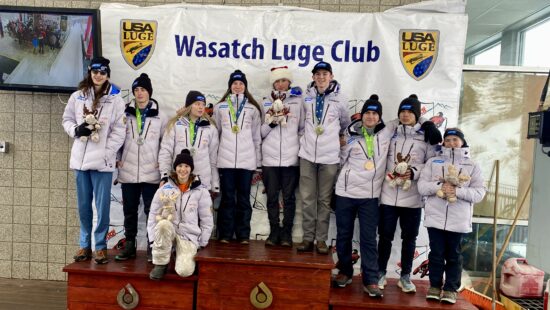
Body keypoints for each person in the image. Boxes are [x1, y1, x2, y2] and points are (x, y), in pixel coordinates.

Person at [62, 57, 126, 264]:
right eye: (96, 71)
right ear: (90, 72)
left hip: (102, 164)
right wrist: (75, 130)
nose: (99, 75)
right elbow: (67, 120)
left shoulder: (115, 98)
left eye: (103, 72)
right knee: (83, 206)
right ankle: (84, 245)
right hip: (80, 162)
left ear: (108, 75)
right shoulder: (78, 96)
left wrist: (106, 154)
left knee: (102, 207)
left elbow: (119, 131)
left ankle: (100, 247)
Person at [377, 94, 442, 293]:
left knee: (409, 239)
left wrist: (413, 172)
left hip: (412, 197)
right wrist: (424, 120)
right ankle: (380, 273)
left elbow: (432, 165)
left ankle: (405, 276)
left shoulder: (426, 136)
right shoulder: (391, 131)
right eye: (402, 112)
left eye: (410, 112)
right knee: (385, 237)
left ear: (416, 114)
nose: (405, 115)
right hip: (388, 194)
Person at [333, 95, 391, 298]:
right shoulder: (350, 133)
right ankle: (345, 272)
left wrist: (427, 126)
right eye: (367, 112)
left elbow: (408, 121)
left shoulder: (387, 132)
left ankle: (371, 279)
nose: (370, 116)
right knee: (343, 236)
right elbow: (340, 160)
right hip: (346, 192)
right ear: (362, 115)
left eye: (375, 113)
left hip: (370, 195)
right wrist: (335, 187)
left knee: (368, 239)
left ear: (380, 117)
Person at [418, 128, 485, 304]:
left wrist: (458, 190)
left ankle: (450, 289)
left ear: (462, 142)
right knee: (436, 254)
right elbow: (422, 187)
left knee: (454, 256)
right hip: (435, 218)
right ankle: (434, 286)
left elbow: (479, 193)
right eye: (448, 140)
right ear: (443, 143)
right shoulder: (433, 161)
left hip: (458, 220)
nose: (451, 143)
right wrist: (439, 186)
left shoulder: (473, 165)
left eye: (455, 139)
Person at [296, 61, 350, 254]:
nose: (321, 77)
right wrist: (305, 140)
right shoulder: (305, 97)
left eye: (324, 74)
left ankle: (321, 240)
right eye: (317, 74)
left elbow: (345, 125)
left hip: (330, 157)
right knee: (308, 198)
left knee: (324, 200)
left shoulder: (340, 99)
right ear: (313, 77)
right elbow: (302, 124)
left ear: (331, 76)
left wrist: (338, 140)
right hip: (307, 155)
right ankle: (307, 238)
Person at [115, 73, 165, 262]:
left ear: (149, 92)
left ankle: (153, 246)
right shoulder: (124, 114)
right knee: (129, 211)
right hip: (128, 171)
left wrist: (163, 166)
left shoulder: (160, 116)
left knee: (152, 212)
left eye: (143, 89)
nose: (139, 93)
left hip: (151, 172)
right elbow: (116, 139)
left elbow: (165, 144)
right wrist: (117, 158)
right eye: (136, 90)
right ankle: (129, 245)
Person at [148, 149, 214, 280]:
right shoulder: (164, 189)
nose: (183, 169)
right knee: (163, 224)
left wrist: (202, 242)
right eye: (179, 166)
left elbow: (207, 219)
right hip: (169, 230)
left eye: (186, 166)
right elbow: (153, 215)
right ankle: (161, 264)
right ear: (175, 168)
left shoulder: (201, 191)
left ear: (191, 169)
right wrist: (152, 239)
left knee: (185, 271)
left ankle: (177, 253)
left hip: (188, 235)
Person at [213, 70, 262, 244]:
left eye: (241, 84)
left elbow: (257, 137)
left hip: (246, 162)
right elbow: (215, 135)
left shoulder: (252, 109)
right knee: (227, 198)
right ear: (230, 86)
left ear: (245, 86)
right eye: (235, 83)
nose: (238, 86)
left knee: (243, 199)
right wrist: (215, 161)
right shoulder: (220, 108)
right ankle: (225, 234)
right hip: (225, 161)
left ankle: (242, 235)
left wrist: (258, 163)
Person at [261, 66, 304, 247]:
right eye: (277, 81)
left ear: (289, 82)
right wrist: (272, 122)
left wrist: (299, 151)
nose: (280, 84)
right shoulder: (264, 102)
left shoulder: (298, 101)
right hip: (269, 159)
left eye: (283, 80)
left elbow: (301, 129)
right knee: (272, 197)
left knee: (288, 198)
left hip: (290, 158)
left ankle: (286, 234)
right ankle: (274, 232)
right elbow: (260, 133)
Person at [159, 90, 219, 194]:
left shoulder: (211, 128)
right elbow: (166, 151)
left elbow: (213, 159)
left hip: (202, 183)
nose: (201, 107)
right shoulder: (175, 125)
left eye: (203, 104)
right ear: (189, 106)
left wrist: (215, 185)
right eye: (197, 104)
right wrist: (165, 176)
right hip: (179, 181)